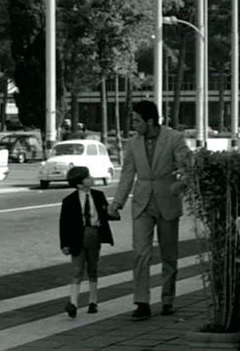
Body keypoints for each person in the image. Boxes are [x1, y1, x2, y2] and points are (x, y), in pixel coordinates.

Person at [107, 100, 191, 319]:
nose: (134, 125)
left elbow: (187, 167)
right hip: (142, 203)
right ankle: (142, 302)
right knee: (140, 254)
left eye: (137, 120)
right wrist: (117, 203)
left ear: (150, 121)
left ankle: (167, 300)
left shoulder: (174, 139)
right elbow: (127, 174)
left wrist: (180, 184)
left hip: (167, 201)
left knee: (169, 255)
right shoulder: (133, 144)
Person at [59, 166, 115, 318]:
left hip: (94, 233)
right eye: (87, 177)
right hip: (77, 236)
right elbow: (64, 224)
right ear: (79, 184)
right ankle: (73, 303)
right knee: (77, 269)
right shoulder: (69, 201)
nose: (91, 178)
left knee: (92, 267)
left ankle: (93, 301)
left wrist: (113, 211)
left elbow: (105, 214)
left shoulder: (98, 195)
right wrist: (64, 244)